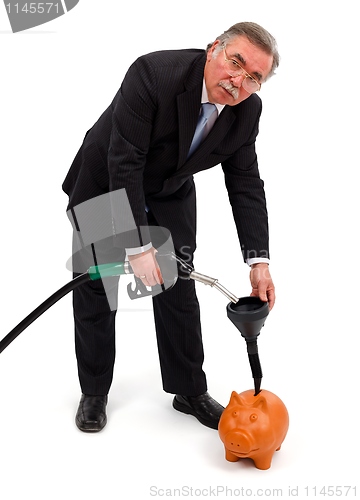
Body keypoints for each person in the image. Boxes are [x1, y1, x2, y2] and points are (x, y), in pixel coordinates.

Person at [62, 21, 278, 432]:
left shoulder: (247, 111)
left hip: (167, 191)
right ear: (214, 48)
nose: (239, 81)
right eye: (236, 63)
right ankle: (93, 391)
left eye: (254, 78)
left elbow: (246, 181)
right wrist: (138, 247)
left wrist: (258, 261)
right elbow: (124, 161)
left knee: (178, 284)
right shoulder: (152, 74)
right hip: (106, 182)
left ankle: (188, 390)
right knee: (96, 286)